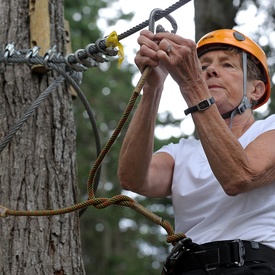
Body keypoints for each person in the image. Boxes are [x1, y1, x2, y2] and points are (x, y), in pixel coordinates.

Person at [117, 28, 275, 274]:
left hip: (251, 266)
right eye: (202, 67)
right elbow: (133, 178)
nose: (211, 70)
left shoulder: (271, 129)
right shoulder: (182, 152)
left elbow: (240, 177)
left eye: (228, 65)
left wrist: (192, 83)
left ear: (256, 90)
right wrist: (152, 89)